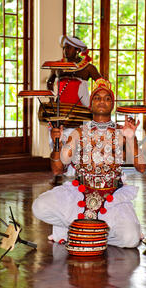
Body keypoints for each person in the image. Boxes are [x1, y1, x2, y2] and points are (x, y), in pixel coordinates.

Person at [32, 79, 146, 248]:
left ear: (112, 105)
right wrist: (56, 142)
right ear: (90, 104)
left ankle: (86, 233)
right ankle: (87, 230)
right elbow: (57, 169)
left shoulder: (121, 132)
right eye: (97, 98)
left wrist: (131, 138)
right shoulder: (78, 133)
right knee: (39, 206)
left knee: (130, 240)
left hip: (112, 196)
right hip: (80, 193)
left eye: (107, 98)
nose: (102, 101)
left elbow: (141, 167)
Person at [46, 35, 103, 184]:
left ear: (77, 50)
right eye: (64, 47)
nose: (66, 50)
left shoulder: (88, 67)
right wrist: (52, 100)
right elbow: (50, 81)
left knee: (80, 144)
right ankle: (58, 171)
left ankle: (80, 172)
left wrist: (98, 102)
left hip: (80, 112)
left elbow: (101, 84)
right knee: (57, 142)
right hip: (61, 111)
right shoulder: (58, 66)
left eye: (69, 48)